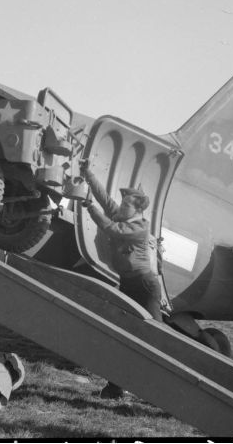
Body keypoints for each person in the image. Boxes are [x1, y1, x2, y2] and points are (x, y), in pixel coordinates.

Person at [79, 159, 163, 399]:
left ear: (137, 210)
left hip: (145, 286)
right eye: (124, 202)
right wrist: (88, 174)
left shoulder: (139, 228)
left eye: (127, 204)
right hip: (129, 284)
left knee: (156, 337)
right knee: (122, 333)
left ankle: (160, 389)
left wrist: (89, 207)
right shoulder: (124, 216)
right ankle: (116, 387)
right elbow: (104, 198)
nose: (121, 206)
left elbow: (111, 230)